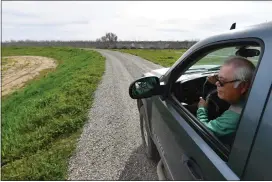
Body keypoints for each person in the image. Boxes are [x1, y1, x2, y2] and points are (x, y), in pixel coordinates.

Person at [197, 56, 256, 140]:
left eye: (222, 81)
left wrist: (202, 109)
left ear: (243, 86)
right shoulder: (253, 98)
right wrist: (219, 82)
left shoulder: (234, 118)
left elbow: (202, 131)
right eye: (218, 78)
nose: (217, 83)